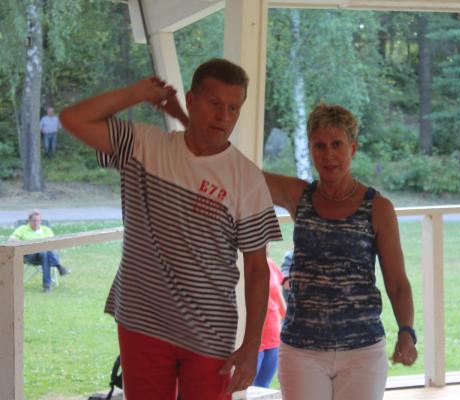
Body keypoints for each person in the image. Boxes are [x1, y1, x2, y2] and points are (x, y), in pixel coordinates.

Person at [59, 58, 282, 400]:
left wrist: (252, 346)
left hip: (210, 330)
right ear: (191, 100)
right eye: (214, 103)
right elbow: (73, 118)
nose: (223, 116)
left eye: (233, 108)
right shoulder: (144, 145)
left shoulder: (246, 178)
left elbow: (256, 268)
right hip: (143, 318)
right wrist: (137, 93)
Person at [264, 103, 417, 400]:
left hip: (362, 350)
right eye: (319, 146)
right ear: (310, 149)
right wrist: (187, 121)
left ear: (353, 148)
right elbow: (242, 173)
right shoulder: (299, 196)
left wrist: (406, 332)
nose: (328, 155)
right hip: (301, 349)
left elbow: (397, 282)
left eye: (337, 144)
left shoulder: (378, 208)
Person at [8, 210, 70, 292]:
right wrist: (27, 244)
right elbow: (11, 240)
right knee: (44, 252)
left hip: (47, 255)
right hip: (30, 256)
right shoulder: (22, 229)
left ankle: (46, 286)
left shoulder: (46, 229)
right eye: (34, 221)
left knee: (44, 253)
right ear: (29, 221)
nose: (36, 223)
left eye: (38, 221)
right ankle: (59, 267)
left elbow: (54, 243)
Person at [253, 251, 286, 388]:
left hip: (273, 338)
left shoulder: (270, 264)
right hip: (253, 342)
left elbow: (277, 294)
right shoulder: (244, 266)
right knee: (246, 389)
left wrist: (288, 320)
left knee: (263, 387)